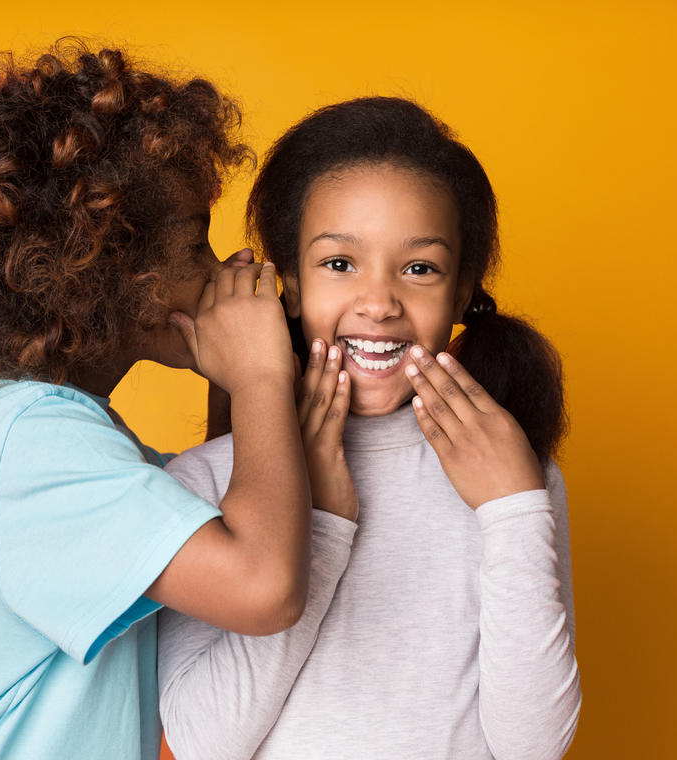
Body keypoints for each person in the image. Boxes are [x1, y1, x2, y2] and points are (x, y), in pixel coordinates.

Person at [0, 39, 316, 760]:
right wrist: (259, 379)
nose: (222, 272)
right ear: (100, 266)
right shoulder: (29, 445)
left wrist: (231, 374)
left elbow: (231, 516)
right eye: (196, 245)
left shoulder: (46, 437)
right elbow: (260, 585)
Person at [158, 96, 581, 759]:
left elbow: (533, 746)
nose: (379, 303)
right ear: (289, 283)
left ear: (463, 288)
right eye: (339, 263)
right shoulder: (202, 480)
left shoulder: (511, 474)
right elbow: (203, 742)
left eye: (419, 268)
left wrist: (516, 510)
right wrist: (319, 523)